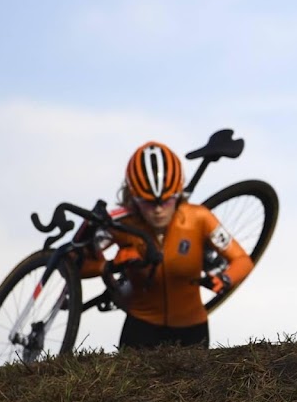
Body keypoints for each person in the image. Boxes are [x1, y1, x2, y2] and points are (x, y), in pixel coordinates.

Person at [81, 141, 255, 349]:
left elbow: (242, 260)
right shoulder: (123, 225)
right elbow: (77, 264)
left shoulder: (199, 218)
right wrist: (108, 266)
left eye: (167, 201)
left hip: (192, 329)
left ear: (178, 193)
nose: (158, 210)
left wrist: (226, 278)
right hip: (141, 328)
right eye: (148, 202)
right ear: (133, 196)